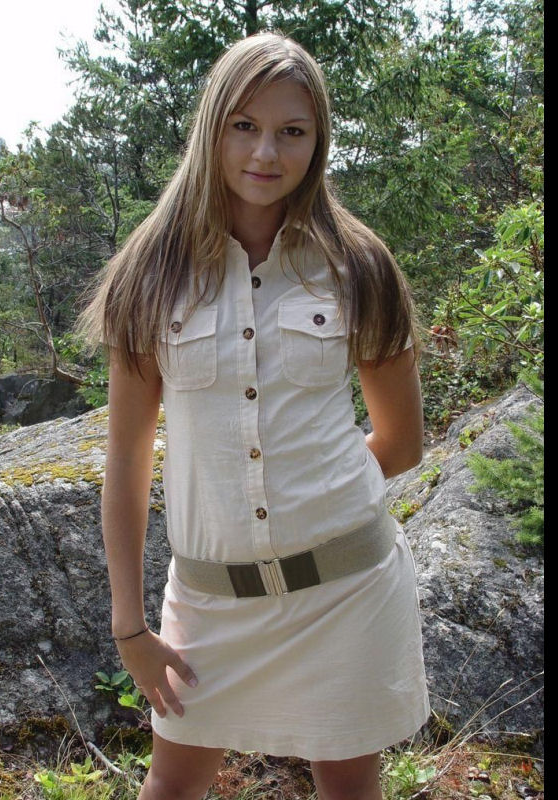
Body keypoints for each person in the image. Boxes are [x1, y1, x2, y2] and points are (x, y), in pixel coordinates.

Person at [74, 30, 430, 800]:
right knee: (171, 784)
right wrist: (130, 627)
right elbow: (127, 462)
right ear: (213, 129)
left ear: (318, 140)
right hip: (210, 604)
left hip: (348, 592)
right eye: (245, 126)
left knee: (349, 787)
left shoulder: (360, 266)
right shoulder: (150, 272)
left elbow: (402, 444)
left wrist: (317, 490)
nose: (266, 152)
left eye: (291, 131)